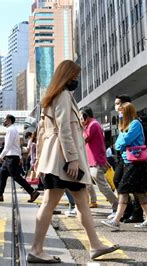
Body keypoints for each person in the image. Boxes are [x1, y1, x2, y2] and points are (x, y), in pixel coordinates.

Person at [28, 60, 119, 263]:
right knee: (52, 203)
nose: (76, 80)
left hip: (56, 160)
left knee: (80, 202)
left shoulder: (52, 97)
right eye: (74, 77)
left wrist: (40, 161)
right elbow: (64, 130)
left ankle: (94, 245)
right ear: (66, 76)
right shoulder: (62, 96)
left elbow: (42, 134)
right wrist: (72, 159)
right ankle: (36, 249)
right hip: (64, 161)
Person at [102, 102, 147, 230]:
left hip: (135, 163)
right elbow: (118, 144)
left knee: (123, 189)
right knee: (139, 191)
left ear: (127, 112)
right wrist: (121, 140)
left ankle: (116, 220)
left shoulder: (135, 124)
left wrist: (121, 140)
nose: (120, 114)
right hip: (130, 162)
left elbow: (123, 142)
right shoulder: (125, 126)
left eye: (121, 112)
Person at [0, 114, 40, 202]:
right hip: (11, 156)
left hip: (11, 157)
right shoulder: (14, 130)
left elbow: (7, 146)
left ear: (8, 120)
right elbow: (17, 145)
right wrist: (19, 156)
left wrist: (0, 157)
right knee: (2, 174)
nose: (3, 121)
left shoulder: (10, 130)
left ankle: (32, 192)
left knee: (16, 176)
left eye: (4, 119)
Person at [80, 107, 118, 216]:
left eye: (81, 117)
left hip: (96, 161)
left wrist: (81, 127)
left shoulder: (93, 125)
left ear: (86, 116)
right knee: (87, 182)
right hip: (91, 161)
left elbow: (83, 139)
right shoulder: (91, 125)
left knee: (102, 186)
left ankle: (116, 206)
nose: (80, 120)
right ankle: (93, 201)